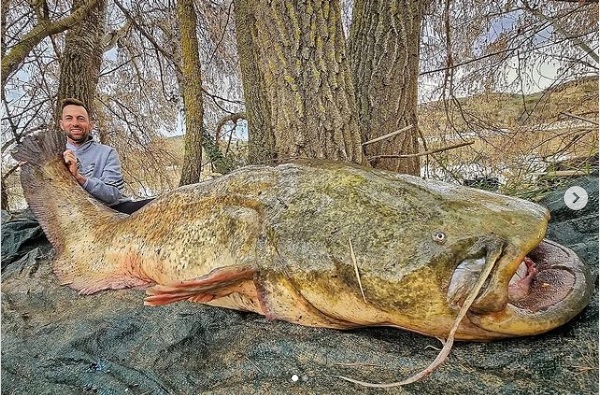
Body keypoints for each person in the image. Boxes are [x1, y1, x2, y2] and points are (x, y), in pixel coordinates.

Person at [59, 97, 153, 214]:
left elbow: (113, 194)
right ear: (62, 125)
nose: (75, 123)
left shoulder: (107, 153)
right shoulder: (54, 158)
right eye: (69, 118)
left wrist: (79, 178)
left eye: (80, 119)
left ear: (90, 125)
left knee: (163, 204)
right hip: (75, 215)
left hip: (114, 209)